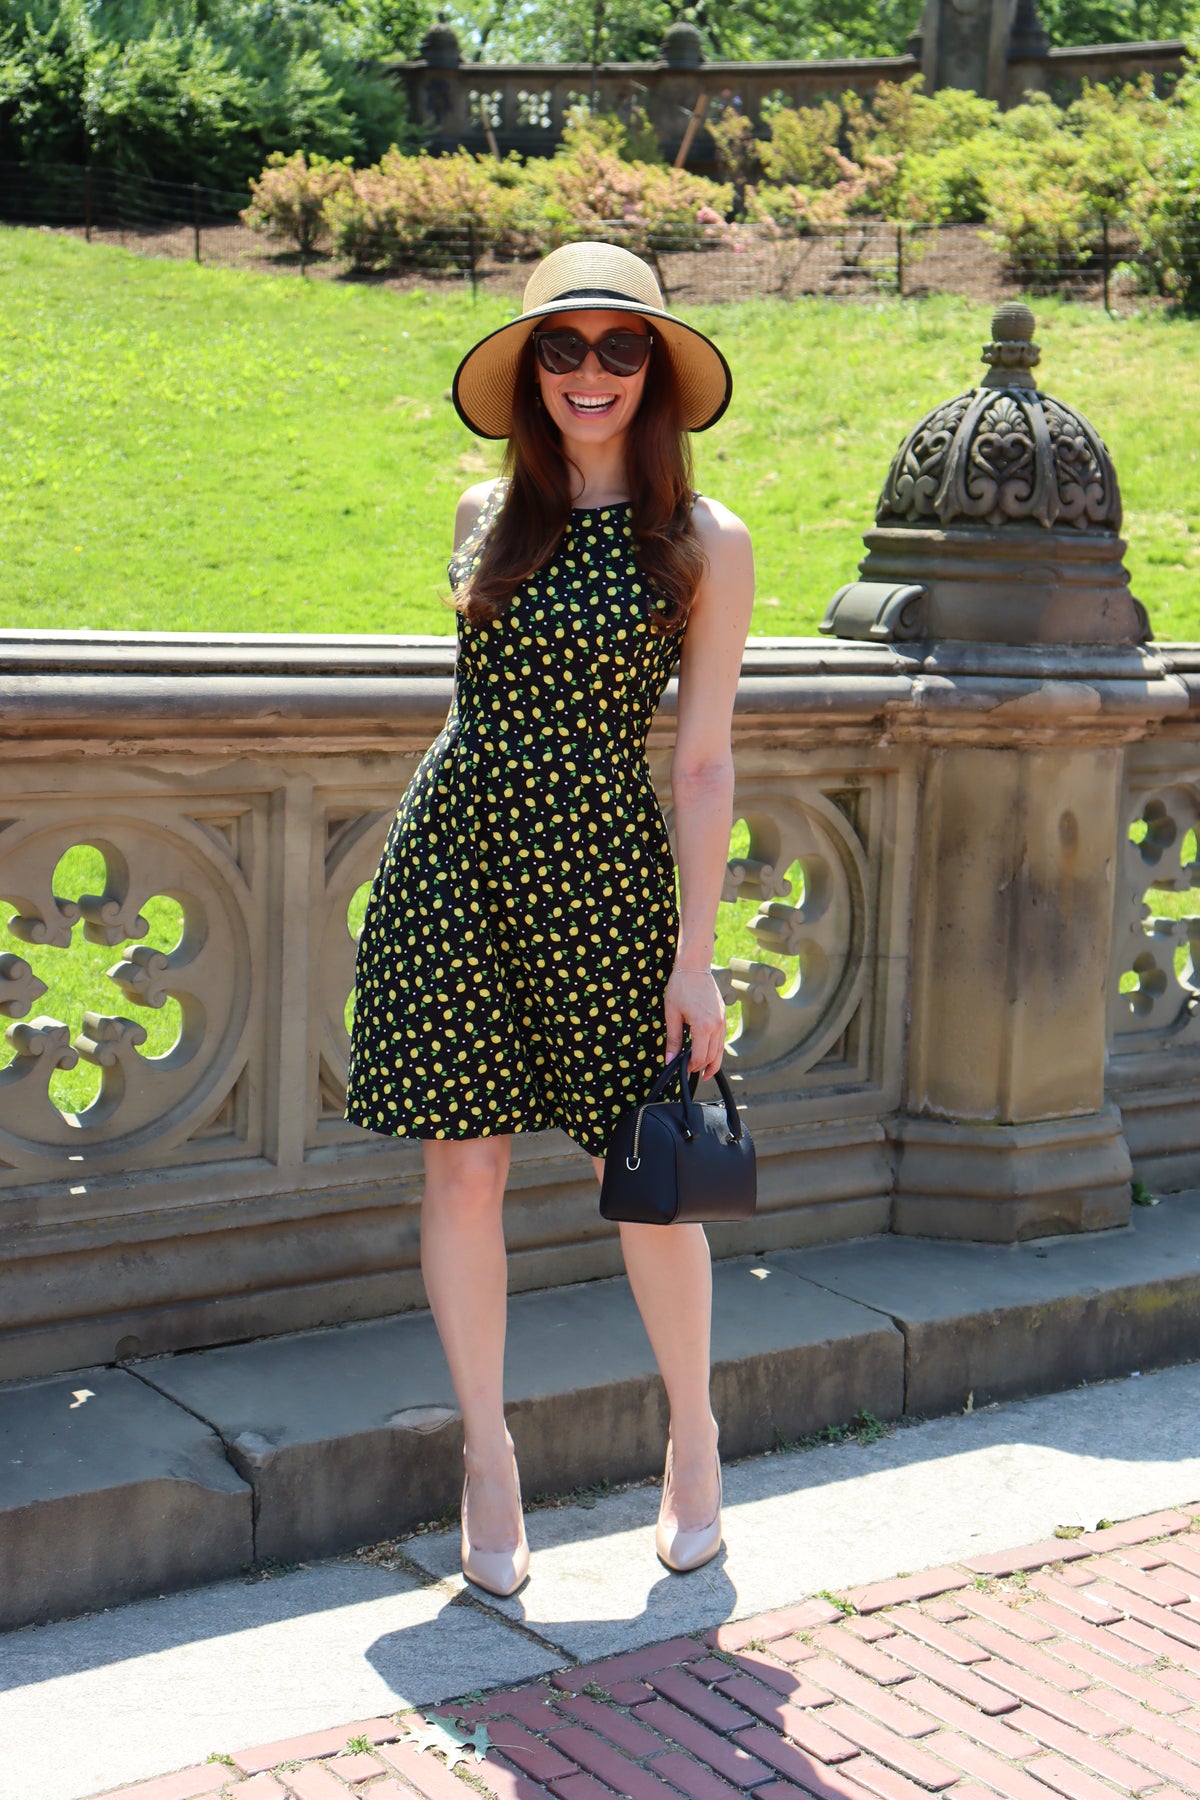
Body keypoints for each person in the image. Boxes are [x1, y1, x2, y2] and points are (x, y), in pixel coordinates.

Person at [346, 240, 754, 1598]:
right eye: (564, 348)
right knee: (463, 1168)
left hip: (603, 873)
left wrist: (695, 960)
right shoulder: (482, 509)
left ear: (657, 371)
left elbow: (702, 761)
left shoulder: (703, 541)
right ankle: (486, 1455)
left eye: (619, 348)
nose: (590, 372)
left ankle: (694, 1438)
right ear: (531, 369)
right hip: (457, 858)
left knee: (640, 1175)